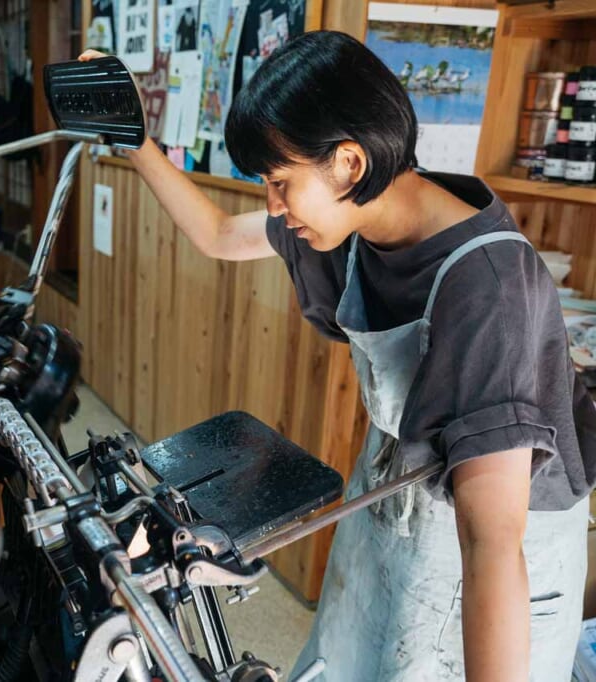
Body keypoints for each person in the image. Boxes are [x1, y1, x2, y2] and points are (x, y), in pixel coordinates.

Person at [80, 30, 595, 682]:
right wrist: (135, 140)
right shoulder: (362, 216)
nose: (272, 205)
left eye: (279, 182)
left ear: (349, 163)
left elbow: (491, 544)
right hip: (392, 508)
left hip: (490, 562)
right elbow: (214, 234)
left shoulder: (486, 287)